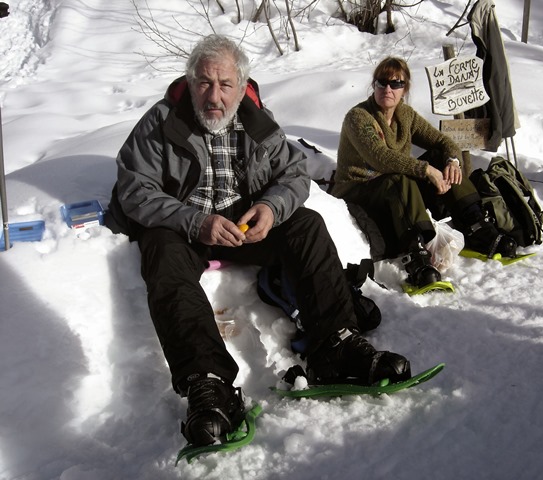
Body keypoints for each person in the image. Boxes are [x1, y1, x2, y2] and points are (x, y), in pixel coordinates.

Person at [106, 35, 411, 447]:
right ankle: (208, 384)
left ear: (241, 84)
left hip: (244, 224)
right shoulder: (160, 123)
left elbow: (294, 176)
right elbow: (135, 188)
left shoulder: (256, 121)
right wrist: (195, 222)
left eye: (225, 84)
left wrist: (270, 208)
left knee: (306, 225)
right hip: (185, 225)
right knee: (160, 253)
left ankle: (335, 344)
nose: (214, 95)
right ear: (190, 80)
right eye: (204, 82)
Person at [331, 56, 517, 289]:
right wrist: (425, 170)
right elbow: (380, 158)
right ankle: (416, 255)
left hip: (393, 186)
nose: (388, 88)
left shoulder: (405, 115)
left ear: (404, 89)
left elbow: (442, 141)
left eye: (395, 84)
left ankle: (477, 227)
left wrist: (452, 161)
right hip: (357, 188)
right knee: (401, 179)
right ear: (374, 85)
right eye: (382, 82)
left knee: (440, 160)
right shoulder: (358, 117)